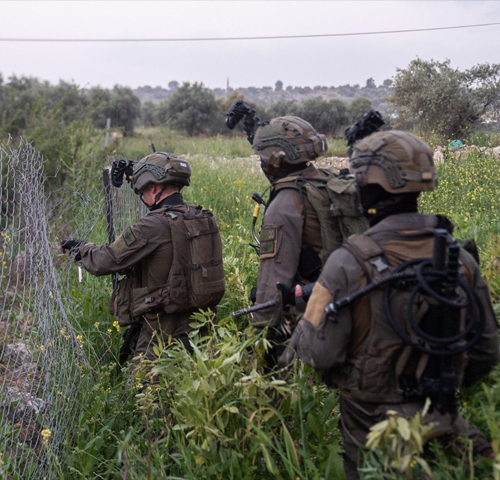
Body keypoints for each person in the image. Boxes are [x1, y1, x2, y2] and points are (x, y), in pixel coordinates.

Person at [290, 130, 499, 479]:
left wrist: (303, 316)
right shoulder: (459, 259)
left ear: (369, 189)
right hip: (445, 420)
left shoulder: (348, 261)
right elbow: (486, 351)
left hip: (370, 435)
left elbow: (317, 354)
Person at [62, 153, 225, 370]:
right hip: (201, 320)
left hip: (164, 327)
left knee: (144, 392)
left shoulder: (153, 225)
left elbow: (107, 260)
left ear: (155, 188)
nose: (140, 194)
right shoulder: (200, 217)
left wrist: (81, 250)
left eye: (141, 189)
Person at [249, 116, 367, 367]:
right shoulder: (327, 180)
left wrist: (257, 343)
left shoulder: (283, 204)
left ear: (274, 159)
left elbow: (273, 287)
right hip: (348, 303)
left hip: (310, 317)